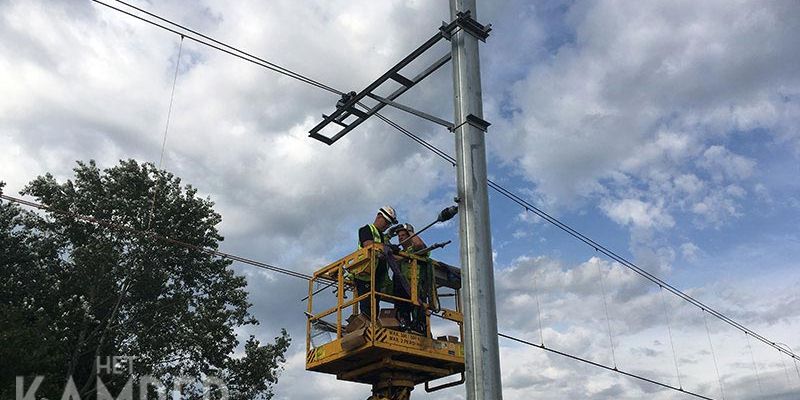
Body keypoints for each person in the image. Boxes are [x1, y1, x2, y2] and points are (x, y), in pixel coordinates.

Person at [353, 206, 397, 318]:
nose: (387, 226)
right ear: (379, 216)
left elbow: (383, 251)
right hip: (365, 275)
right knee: (367, 308)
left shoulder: (382, 237)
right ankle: (366, 326)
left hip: (376, 276)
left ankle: (372, 326)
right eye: (386, 222)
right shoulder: (366, 229)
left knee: (375, 307)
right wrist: (388, 247)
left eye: (389, 224)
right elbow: (369, 245)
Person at [395, 223, 430, 334]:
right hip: (404, 287)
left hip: (417, 285)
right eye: (399, 236)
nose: (400, 237)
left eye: (403, 235)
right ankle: (405, 326)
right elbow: (388, 255)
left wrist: (410, 231)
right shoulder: (402, 253)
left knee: (418, 310)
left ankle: (420, 329)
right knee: (402, 308)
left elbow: (419, 245)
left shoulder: (416, 249)